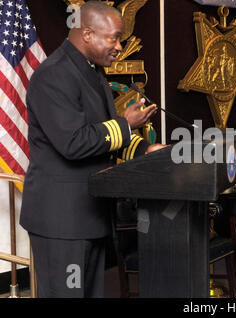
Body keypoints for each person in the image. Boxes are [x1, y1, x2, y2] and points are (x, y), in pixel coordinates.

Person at [19, 1, 164, 297]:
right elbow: (74, 142)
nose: (120, 46)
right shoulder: (54, 74)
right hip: (63, 221)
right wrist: (126, 124)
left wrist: (146, 150)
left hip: (90, 213)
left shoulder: (91, 71)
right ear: (87, 34)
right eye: (114, 37)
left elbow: (103, 137)